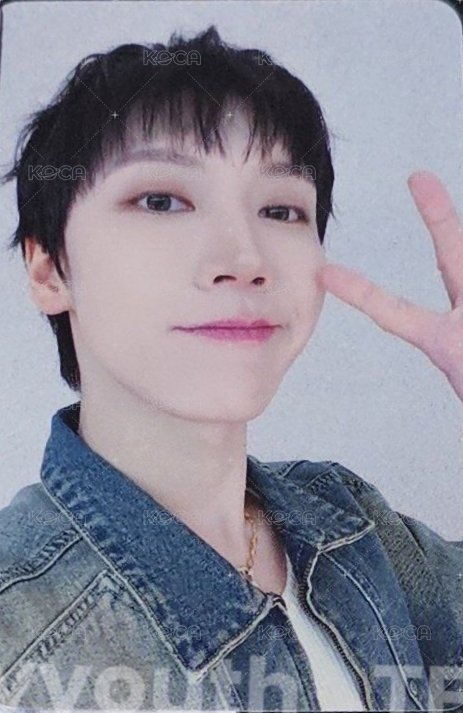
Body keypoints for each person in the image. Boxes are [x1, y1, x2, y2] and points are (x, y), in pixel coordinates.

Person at [0, 24, 462, 713]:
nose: (244, 259)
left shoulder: (357, 526)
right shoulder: (17, 630)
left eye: (280, 209)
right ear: (48, 268)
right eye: (161, 200)